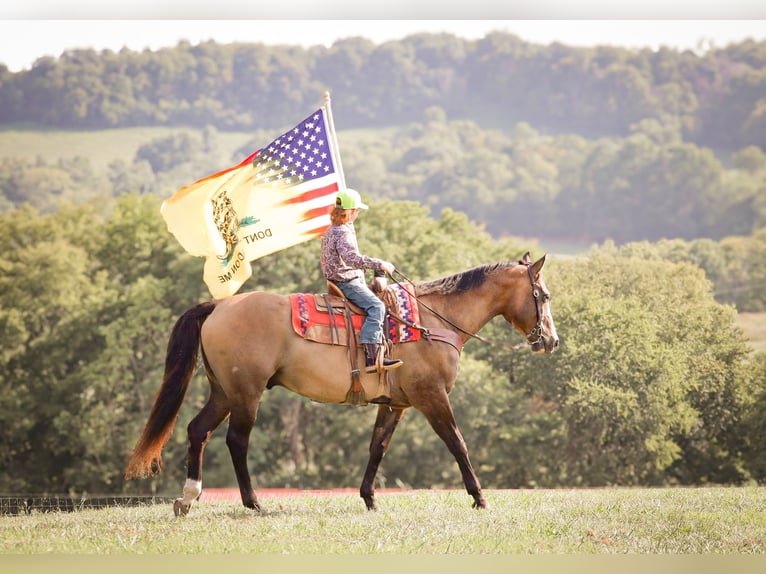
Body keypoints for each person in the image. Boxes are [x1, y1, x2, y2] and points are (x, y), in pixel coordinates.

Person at [320, 188, 403, 373]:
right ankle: (372, 356)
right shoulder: (342, 232)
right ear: (350, 212)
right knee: (377, 307)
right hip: (346, 282)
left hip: (346, 278)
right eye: (357, 210)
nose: (358, 213)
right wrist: (379, 264)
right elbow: (351, 259)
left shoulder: (333, 229)